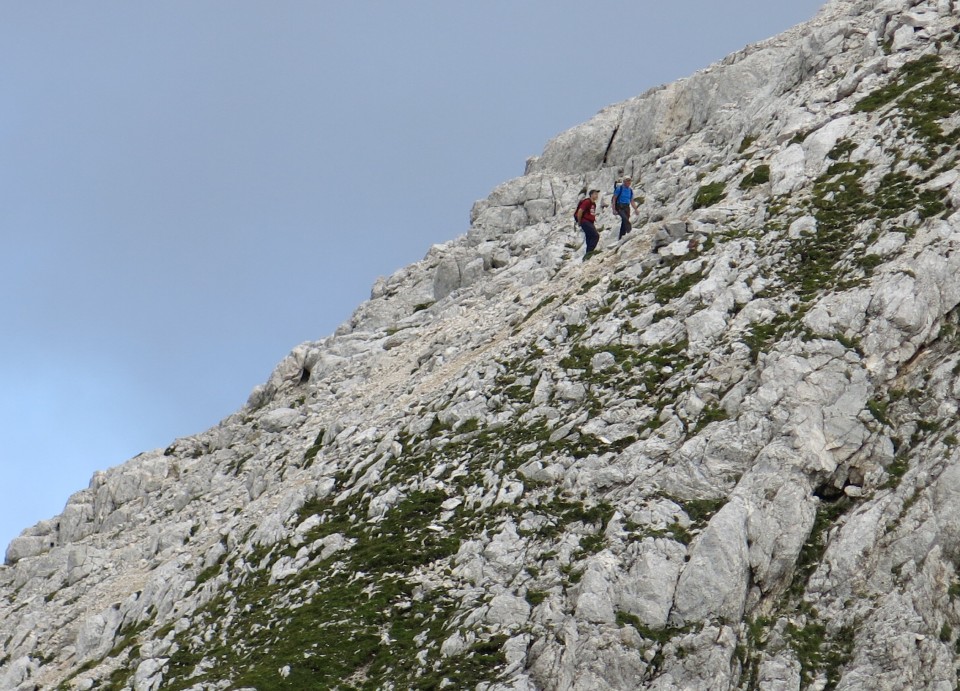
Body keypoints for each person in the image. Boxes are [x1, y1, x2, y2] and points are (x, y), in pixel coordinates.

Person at [575, 189, 600, 259]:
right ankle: (590, 253)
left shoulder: (593, 204)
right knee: (595, 235)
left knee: (589, 238)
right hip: (585, 221)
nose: (597, 195)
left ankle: (587, 255)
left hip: (589, 222)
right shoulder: (587, 202)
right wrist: (580, 222)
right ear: (591, 195)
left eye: (597, 194)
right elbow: (580, 211)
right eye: (595, 194)